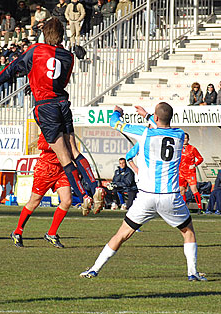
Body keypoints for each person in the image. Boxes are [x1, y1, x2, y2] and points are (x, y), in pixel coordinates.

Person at [0, 18, 103, 216]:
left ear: (44, 34)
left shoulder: (36, 50)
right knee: (73, 149)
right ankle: (95, 186)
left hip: (46, 107)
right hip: (63, 103)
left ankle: (84, 196)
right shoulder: (68, 56)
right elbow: (60, 80)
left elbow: (13, 68)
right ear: (62, 35)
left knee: (64, 157)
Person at [80, 104, 206, 282]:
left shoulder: (144, 133)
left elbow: (114, 123)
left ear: (155, 117)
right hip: (170, 195)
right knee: (188, 232)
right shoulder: (179, 134)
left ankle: (94, 269)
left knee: (122, 234)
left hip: (146, 196)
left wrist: (118, 112)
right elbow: (160, 126)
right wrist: (148, 116)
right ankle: (192, 273)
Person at [11, 133, 73, 248]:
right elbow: (41, 145)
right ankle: (17, 232)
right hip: (46, 169)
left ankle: (51, 233)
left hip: (61, 169)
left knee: (67, 201)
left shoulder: (66, 128)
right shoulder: (49, 127)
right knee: (34, 201)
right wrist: (59, 147)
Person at [179, 133, 204, 211]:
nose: (184, 140)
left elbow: (200, 158)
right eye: (183, 138)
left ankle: (200, 207)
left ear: (188, 139)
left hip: (190, 173)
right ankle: (184, 207)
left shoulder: (192, 148)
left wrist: (194, 164)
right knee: (181, 190)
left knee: (194, 189)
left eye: (186, 138)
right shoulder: (178, 148)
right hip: (181, 172)